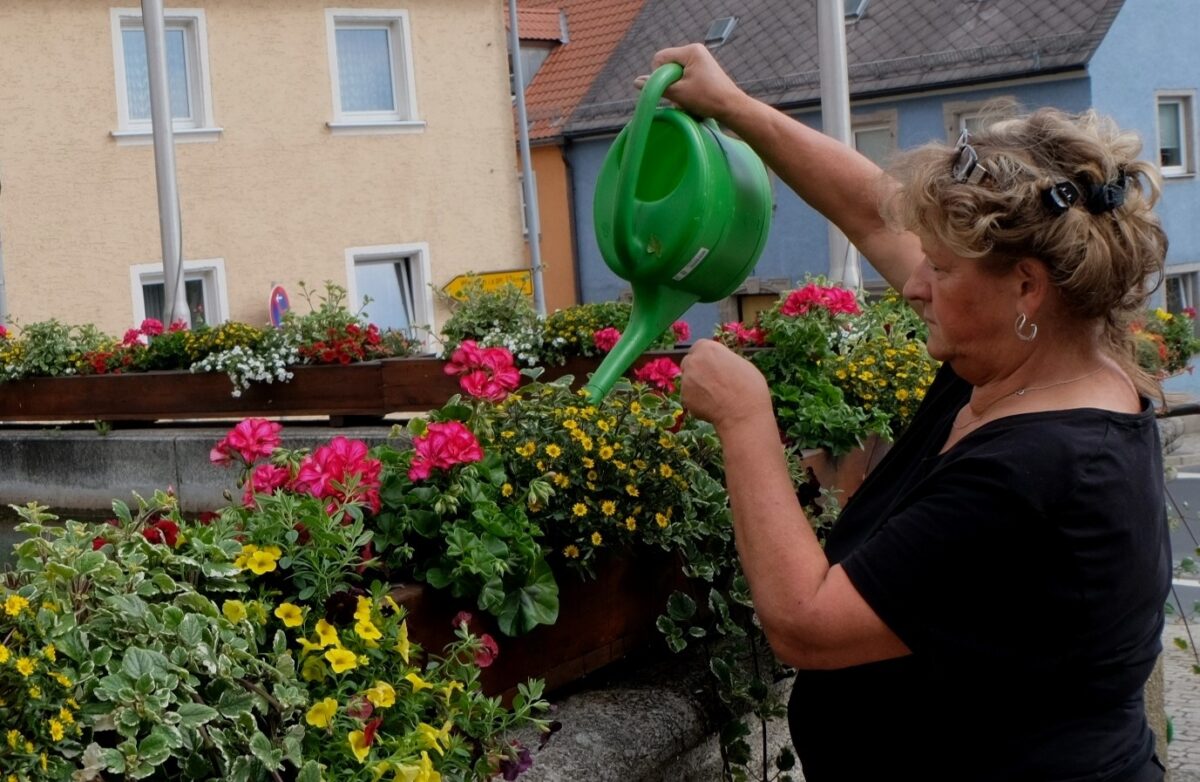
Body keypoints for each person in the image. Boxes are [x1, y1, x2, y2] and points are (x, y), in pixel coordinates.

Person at [643, 43, 1172, 781]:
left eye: (941, 268)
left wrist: (744, 418)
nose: (915, 285)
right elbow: (870, 209)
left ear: (1027, 286)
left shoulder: (1046, 467)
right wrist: (738, 108)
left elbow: (807, 623)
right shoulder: (1029, 357)